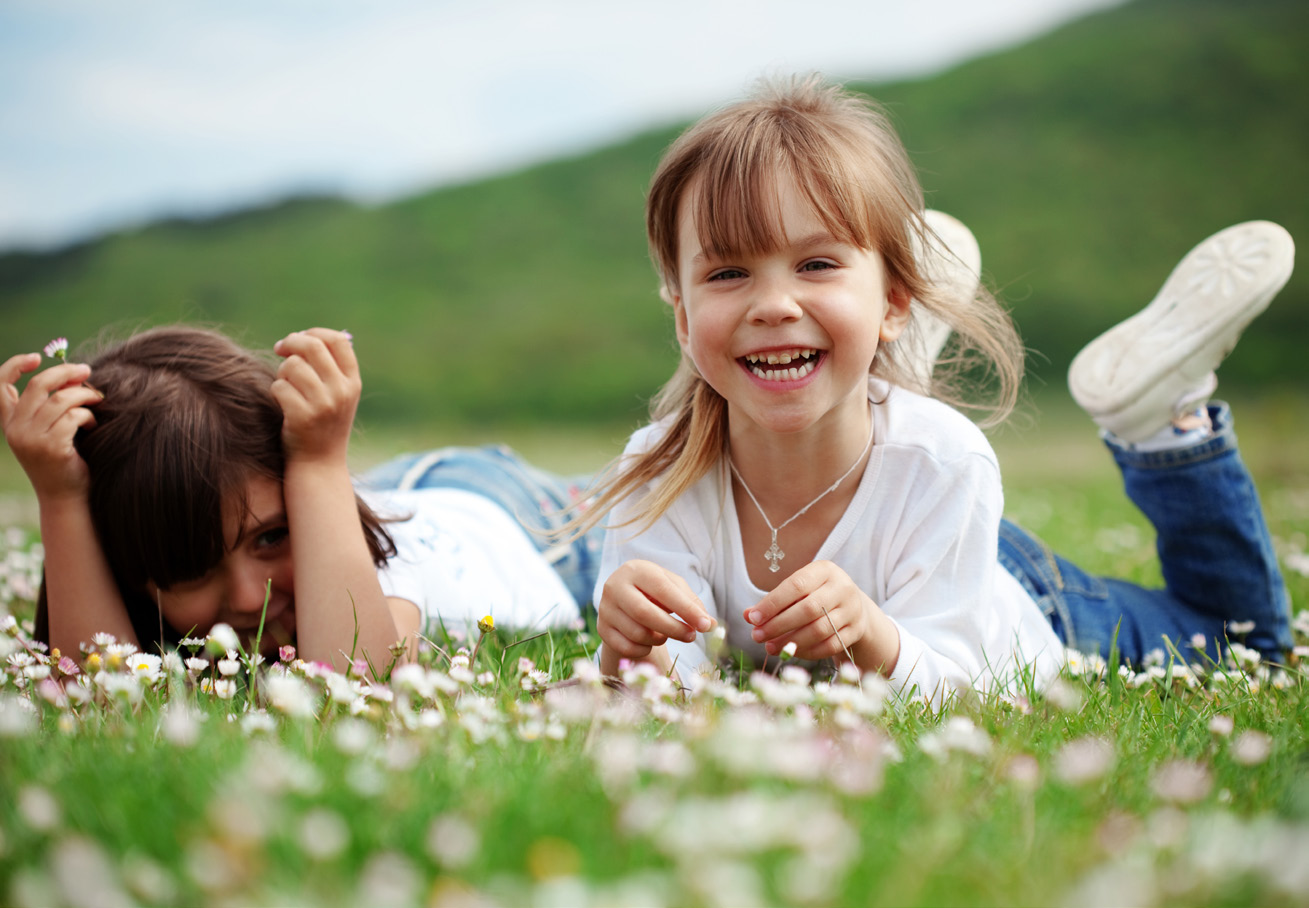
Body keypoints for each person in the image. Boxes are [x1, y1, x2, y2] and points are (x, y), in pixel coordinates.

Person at [576, 76, 1294, 698]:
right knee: (903, 462)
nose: (771, 304)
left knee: (1245, 646)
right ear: (681, 318)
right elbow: (671, 691)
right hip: (914, 515)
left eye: (817, 264)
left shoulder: (948, 460)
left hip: (1015, 599)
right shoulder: (659, 472)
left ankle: (1158, 419)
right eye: (727, 274)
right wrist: (627, 655)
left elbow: (962, 681)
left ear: (894, 301)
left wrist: (875, 641)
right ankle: (868, 371)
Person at [0, 326, 600, 672]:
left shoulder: (381, 570)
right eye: (189, 568)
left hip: (520, 523)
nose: (244, 598)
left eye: (270, 537)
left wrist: (317, 460)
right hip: (390, 489)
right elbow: (93, 689)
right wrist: (60, 498)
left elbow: (350, 683)